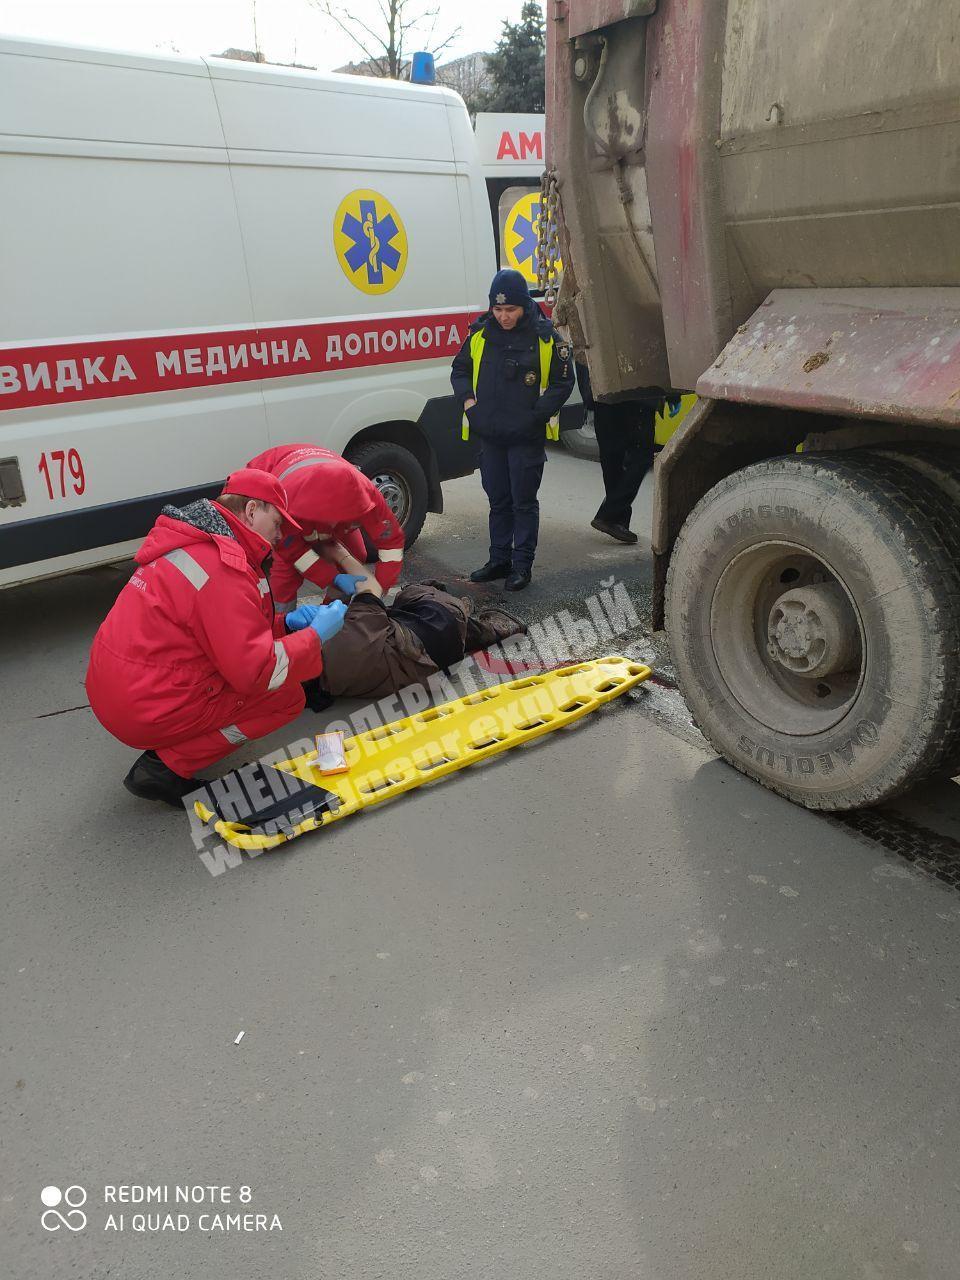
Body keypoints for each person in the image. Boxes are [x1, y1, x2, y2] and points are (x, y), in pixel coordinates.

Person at [85, 469, 347, 806]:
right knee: (286, 699)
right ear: (252, 511)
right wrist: (313, 636)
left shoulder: (195, 540)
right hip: (146, 704)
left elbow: (227, 631)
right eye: (278, 523)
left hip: (120, 688)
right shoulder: (225, 566)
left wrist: (286, 624)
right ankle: (164, 768)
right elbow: (257, 672)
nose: (280, 535)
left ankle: (178, 739)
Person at [451, 268, 575, 591]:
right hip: (490, 435)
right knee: (498, 499)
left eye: (511, 310)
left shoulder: (545, 336)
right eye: (498, 309)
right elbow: (460, 370)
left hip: (525, 436)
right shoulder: (479, 335)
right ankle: (498, 560)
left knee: (523, 501)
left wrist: (537, 416)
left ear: (523, 306)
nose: (504, 317)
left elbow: (564, 381)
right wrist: (470, 406)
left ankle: (521, 565)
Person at [291, 541, 526, 700]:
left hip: (427, 666)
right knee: (413, 592)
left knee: (389, 616)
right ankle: (471, 620)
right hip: (440, 627)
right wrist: (338, 553)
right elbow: (369, 587)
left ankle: (466, 623)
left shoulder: (325, 682)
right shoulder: (348, 637)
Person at [246, 444, 406, 614]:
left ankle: (334, 612)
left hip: (313, 493)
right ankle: (280, 624)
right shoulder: (284, 506)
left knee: (357, 554)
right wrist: (332, 577)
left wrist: (380, 590)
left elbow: (391, 543)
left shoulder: (367, 494)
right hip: (290, 496)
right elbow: (294, 553)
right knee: (284, 580)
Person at [578, 360, 662, 545]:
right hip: (636, 392)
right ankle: (610, 515)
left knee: (612, 456)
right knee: (639, 457)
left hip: (604, 391)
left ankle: (618, 520)